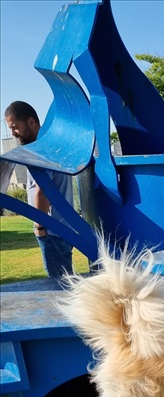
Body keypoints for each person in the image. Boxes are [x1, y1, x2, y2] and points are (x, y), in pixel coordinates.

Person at [4, 100, 74, 279]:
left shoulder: (42, 151)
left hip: (51, 230)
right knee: (64, 282)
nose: (12, 133)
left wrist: (39, 225)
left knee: (59, 286)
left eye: (14, 127)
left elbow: (42, 191)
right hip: (59, 229)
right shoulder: (50, 146)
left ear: (31, 122)